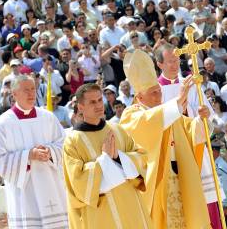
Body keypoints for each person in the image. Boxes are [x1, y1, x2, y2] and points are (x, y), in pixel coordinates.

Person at [120, 49, 212, 228]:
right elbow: (149, 122)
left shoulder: (168, 111)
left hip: (178, 178)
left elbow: (189, 129)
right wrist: (178, 101)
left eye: (158, 91)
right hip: (155, 184)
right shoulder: (131, 114)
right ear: (139, 96)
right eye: (153, 92)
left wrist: (201, 119)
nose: (159, 95)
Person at [63, 83, 153, 228]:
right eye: (92, 102)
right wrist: (104, 159)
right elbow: (77, 183)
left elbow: (142, 157)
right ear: (80, 107)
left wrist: (119, 157)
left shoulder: (116, 129)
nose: (98, 105)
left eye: (100, 100)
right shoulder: (73, 141)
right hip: (102, 214)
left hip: (131, 206)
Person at [156, 43, 222, 228]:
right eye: (170, 61)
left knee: (206, 200)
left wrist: (204, 116)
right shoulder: (155, 91)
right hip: (172, 154)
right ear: (160, 64)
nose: (175, 64)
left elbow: (208, 124)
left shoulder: (192, 84)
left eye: (176, 60)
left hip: (197, 149)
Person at [0, 75, 68, 228]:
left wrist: (50, 151)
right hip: (24, 192)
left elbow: (64, 144)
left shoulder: (48, 117)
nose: (31, 93)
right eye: (26, 90)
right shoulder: (3, 123)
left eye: (33, 89)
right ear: (14, 94)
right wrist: (28, 156)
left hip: (51, 186)